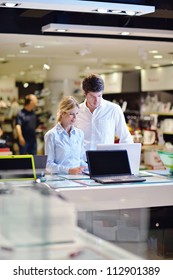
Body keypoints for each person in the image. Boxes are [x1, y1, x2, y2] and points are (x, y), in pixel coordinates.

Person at [76, 74, 133, 151]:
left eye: (99, 96)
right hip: (82, 161)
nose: (96, 101)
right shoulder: (77, 111)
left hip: (105, 160)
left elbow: (126, 139)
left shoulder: (114, 110)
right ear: (84, 93)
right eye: (92, 96)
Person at [44, 96, 87, 175]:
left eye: (76, 114)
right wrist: (68, 170)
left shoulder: (80, 134)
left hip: (78, 180)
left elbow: (80, 160)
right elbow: (48, 165)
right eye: (71, 114)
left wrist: (92, 168)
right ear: (62, 113)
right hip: (59, 181)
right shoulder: (51, 135)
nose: (75, 117)